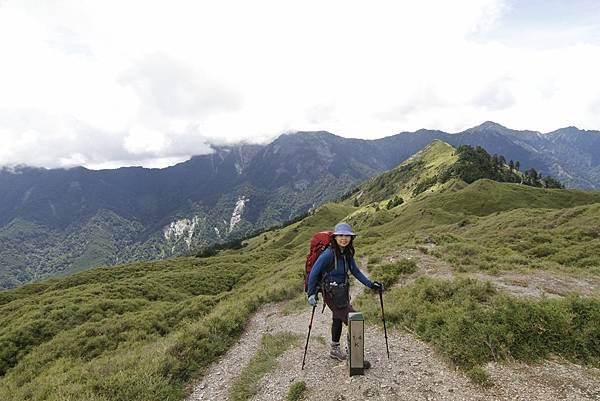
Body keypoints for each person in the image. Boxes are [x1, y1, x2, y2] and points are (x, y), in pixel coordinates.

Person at [306, 222, 383, 361]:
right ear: (335, 237)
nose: (344, 238)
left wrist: (371, 284)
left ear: (351, 238)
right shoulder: (328, 254)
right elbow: (314, 273)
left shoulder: (347, 253)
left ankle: (334, 349)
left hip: (342, 291)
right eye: (340, 235)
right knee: (355, 320)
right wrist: (311, 293)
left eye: (347, 236)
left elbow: (356, 271)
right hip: (330, 292)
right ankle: (355, 357)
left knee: (338, 317)